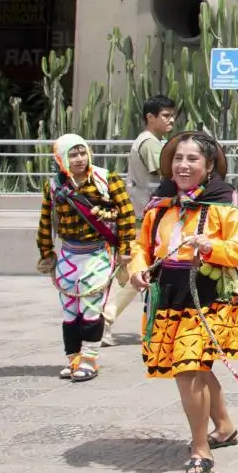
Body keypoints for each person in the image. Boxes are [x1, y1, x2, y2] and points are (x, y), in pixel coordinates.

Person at [128, 131, 238, 473]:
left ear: (209, 165)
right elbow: (142, 246)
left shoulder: (224, 203)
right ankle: (224, 426)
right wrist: (138, 269)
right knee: (195, 367)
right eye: (178, 158)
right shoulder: (161, 204)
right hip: (168, 295)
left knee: (187, 368)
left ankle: (200, 447)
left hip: (210, 296)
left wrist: (211, 246)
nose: (183, 165)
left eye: (192, 159)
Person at [36, 134, 137, 381]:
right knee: (70, 311)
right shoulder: (54, 186)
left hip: (97, 254)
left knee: (91, 308)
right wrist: (46, 253)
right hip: (68, 255)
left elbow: (126, 214)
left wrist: (125, 249)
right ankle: (73, 359)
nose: (79, 159)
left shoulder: (106, 179)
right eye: (72, 154)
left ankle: (90, 359)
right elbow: (45, 221)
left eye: (83, 153)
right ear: (61, 159)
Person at [102, 94, 176, 345]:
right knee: (138, 272)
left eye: (172, 115)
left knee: (138, 272)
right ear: (150, 117)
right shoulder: (151, 144)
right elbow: (168, 176)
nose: (171, 120)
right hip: (148, 218)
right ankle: (103, 319)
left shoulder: (148, 142)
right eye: (165, 115)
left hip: (144, 215)